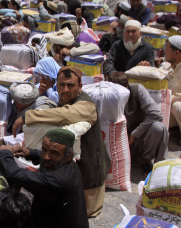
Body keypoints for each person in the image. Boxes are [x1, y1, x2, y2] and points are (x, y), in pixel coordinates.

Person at [0, 128, 91, 228]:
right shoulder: (69, 165)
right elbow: (47, 156)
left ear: (68, 155)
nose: (47, 156)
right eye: (44, 150)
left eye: (54, 153)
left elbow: (14, 175)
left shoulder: (58, 180)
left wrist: (5, 153)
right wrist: (28, 152)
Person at [11, 67, 110, 217]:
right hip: (68, 167)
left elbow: (65, 114)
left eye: (70, 85)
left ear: (80, 86)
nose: (65, 89)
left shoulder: (86, 105)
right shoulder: (64, 101)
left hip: (87, 168)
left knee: (81, 214)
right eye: (61, 85)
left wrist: (27, 116)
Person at [110, 72, 168, 171]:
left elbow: (157, 114)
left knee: (159, 128)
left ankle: (148, 161)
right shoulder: (104, 95)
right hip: (114, 140)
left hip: (135, 140)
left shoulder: (138, 90)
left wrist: (134, 134)